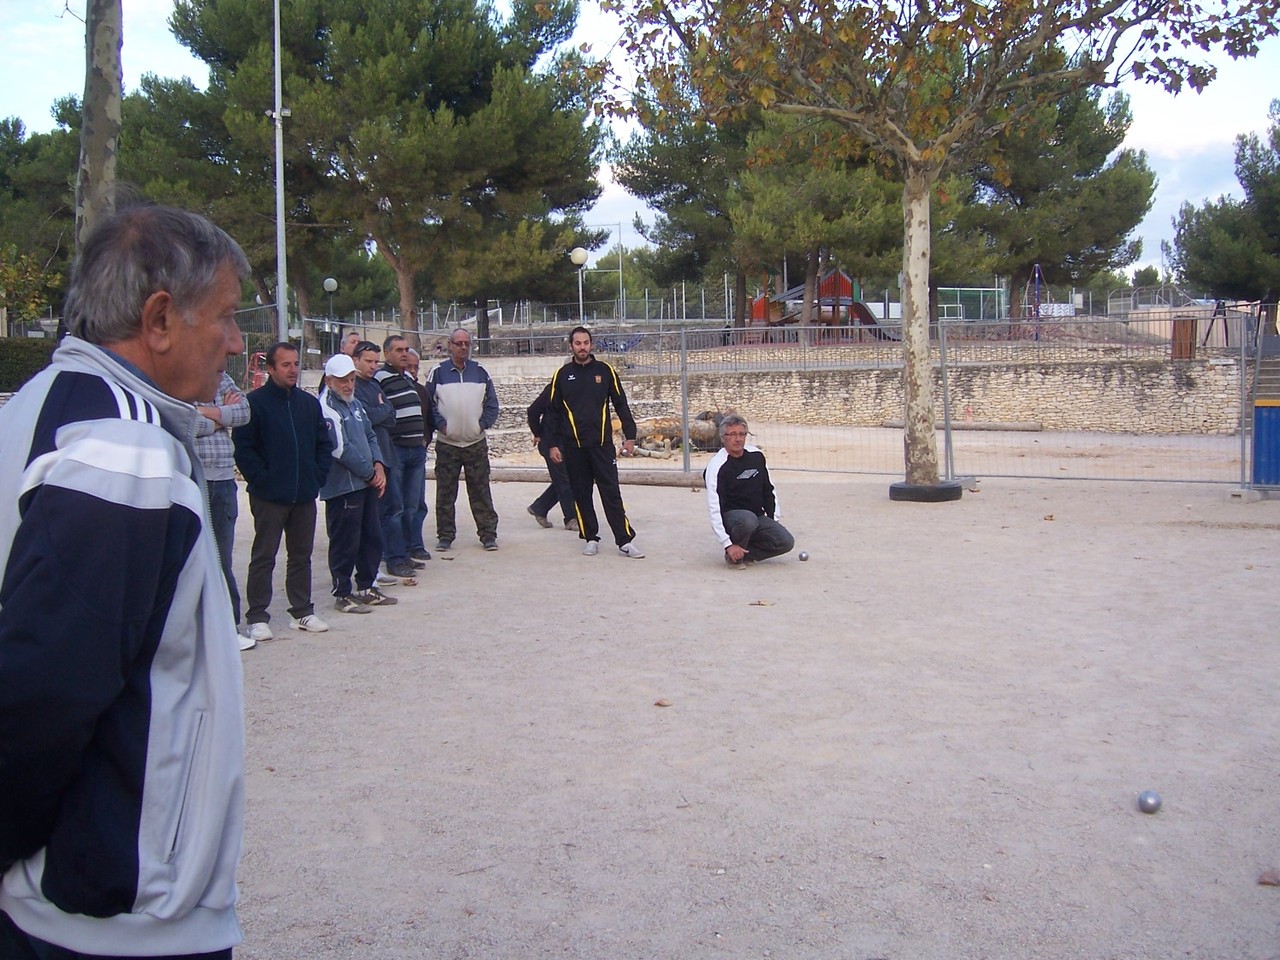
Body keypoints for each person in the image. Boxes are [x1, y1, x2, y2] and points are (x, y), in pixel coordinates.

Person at [0, 204, 249, 958]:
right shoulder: (121, 450)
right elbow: (42, 692)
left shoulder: (41, 404)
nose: (237, 344)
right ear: (161, 318)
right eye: (228, 318)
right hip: (112, 911)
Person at [233, 341, 333, 639]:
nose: (292, 370)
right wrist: (263, 480)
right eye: (285, 365)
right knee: (264, 554)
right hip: (269, 496)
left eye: (295, 364)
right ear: (271, 369)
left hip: (303, 494)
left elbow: (323, 444)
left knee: (301, 555)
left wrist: (316, 477)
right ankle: (257, 616)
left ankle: (301, 610)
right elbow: (244, 449)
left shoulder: (308, 403)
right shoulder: (255, 403)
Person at [544, 326, 645, 558]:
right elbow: (552, 413)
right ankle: (590, 537)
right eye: (577, 343)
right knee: (581, 493)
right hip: (573, 447)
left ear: (591, 344)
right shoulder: (562, 375)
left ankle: (624, 540)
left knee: (611, 492)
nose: (582, 347)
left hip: (601, 446)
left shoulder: (605, 371)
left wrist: (630, 436)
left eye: (586, 343)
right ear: (571, 346)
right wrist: (552, 444)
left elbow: (621, 404)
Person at [318, 354, 397, 613]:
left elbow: (370, 434)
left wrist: (378, 464)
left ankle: (366, 586)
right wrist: (370, 473)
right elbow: (340, 448)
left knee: (371, 536)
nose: (349, 385)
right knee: (345, 541)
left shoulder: (355, 404)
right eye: (343, 380)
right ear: (330, 381)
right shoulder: (327, 406)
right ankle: (342, 592)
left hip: (364, 484)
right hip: (343, 487)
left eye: (351, 379)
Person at [196, 370, 255, 650]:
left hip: (223, 480)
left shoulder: (221, 377)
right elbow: (184, 421)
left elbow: (243, 412)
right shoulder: (177, 377)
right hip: (194, 477)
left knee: (222, 557)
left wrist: (208, 412)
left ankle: (228, 626)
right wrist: (222, 415)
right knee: (196, 558)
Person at [429, 328, 500, 551]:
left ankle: (488, 534)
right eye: (458, 343)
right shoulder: (438, 372)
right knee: (445, 492)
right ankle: (445, 535)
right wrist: (442, 426)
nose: (463, 347)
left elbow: (492, 404)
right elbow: (428, 404)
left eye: (466, 344)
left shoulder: (480, 372)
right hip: (448, 444)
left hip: (474, 443)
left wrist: (481, 425)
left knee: (480, 490)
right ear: (449, 345)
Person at [704, 414, 795, 567]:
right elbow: (714, 507)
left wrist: (773, 522)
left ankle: (746, 553)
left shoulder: (756, 456)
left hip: (757, 517)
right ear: (723, 438)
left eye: (741, 434)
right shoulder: (717, 466)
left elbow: (769, 490)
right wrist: (727, 543)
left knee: (786, 541)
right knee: (748, 519)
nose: (738, 439)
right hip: (733, 518)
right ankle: (733, 554)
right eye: (732, 434)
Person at [374, 335, 428, 576]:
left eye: (406, 349)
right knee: (393, 508)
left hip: (416, 449)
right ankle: (394, 558)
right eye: (398, 350)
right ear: (387, 354)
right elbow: (382, 413)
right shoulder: (380, 378)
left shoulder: (407, 378)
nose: (404, 354)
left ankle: (406, 552)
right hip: (396, 450)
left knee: (411, 505)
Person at [352, 341, 402, 587]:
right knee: (369, 518)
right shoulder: (353, 387)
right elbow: (366, 418)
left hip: (386, 455)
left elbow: (391, 416)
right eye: (368, 361)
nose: (373, 366)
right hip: (368, 463)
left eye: (376, 362)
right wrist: (381, 410)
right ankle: (369, 568)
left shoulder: (374, 385)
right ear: (355, 360)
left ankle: (382, 562)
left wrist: (380, 411)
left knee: (389, 511)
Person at [526, 381, 577, 530]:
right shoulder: (554, 388)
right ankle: (571, 518)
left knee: (571, 479)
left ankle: (540, 507)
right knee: (564, 481)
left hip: (569, 443)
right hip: (551, 442)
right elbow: (533, 411)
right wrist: (538, 433)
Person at [404, 347, 434, 560]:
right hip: (398, 453)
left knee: (418, 503)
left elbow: (429, 421)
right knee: (400, 505)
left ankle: (416, 544)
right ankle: (399, 548)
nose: (413, 371)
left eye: (416, 367)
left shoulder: (422, 391)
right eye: (409, 367)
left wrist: (425, 440)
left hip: (418, 453)